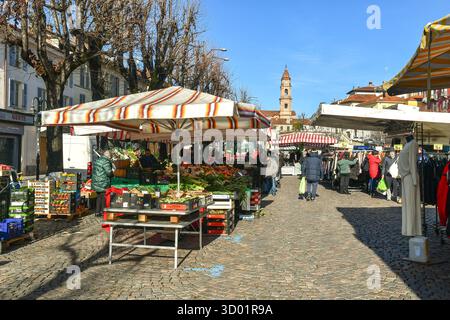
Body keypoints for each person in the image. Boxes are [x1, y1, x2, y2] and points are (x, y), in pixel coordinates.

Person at [92, 150, 114, 216]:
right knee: (104, 197)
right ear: (109, 156)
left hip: (96, 181)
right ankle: (103, 212)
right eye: (111, 157)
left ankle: (97, 212)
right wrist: (113, 173)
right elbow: (109, 172)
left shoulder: (98, 160)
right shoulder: (106, 161)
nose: (111, 158)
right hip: (103, 182)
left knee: (99, 197)